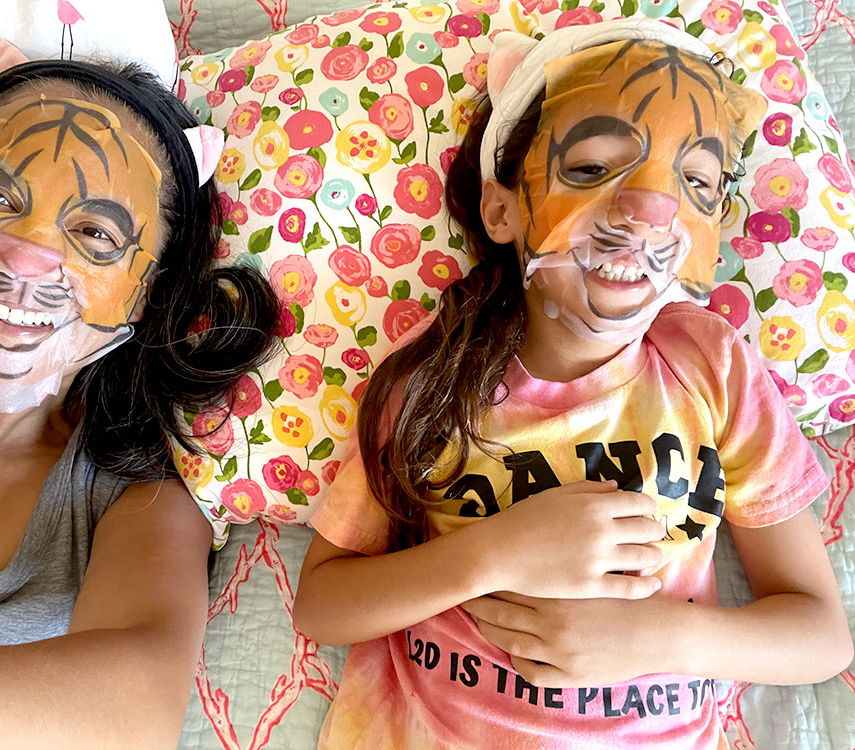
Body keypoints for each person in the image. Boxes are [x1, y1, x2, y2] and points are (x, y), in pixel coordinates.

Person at [292, 20, 854, 750]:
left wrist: (657, 638)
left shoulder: (712, 366)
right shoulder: (434, 378)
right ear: (502, 209)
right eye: (591, 169)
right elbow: (323, 604)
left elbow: (820, 635)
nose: (650, 213)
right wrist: (493, 554)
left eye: (696, 184)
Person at [0, 38, 279, 747]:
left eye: (95, 233)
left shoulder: (140, 489)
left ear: (150, 290)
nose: (26, 256)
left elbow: (129, 718)